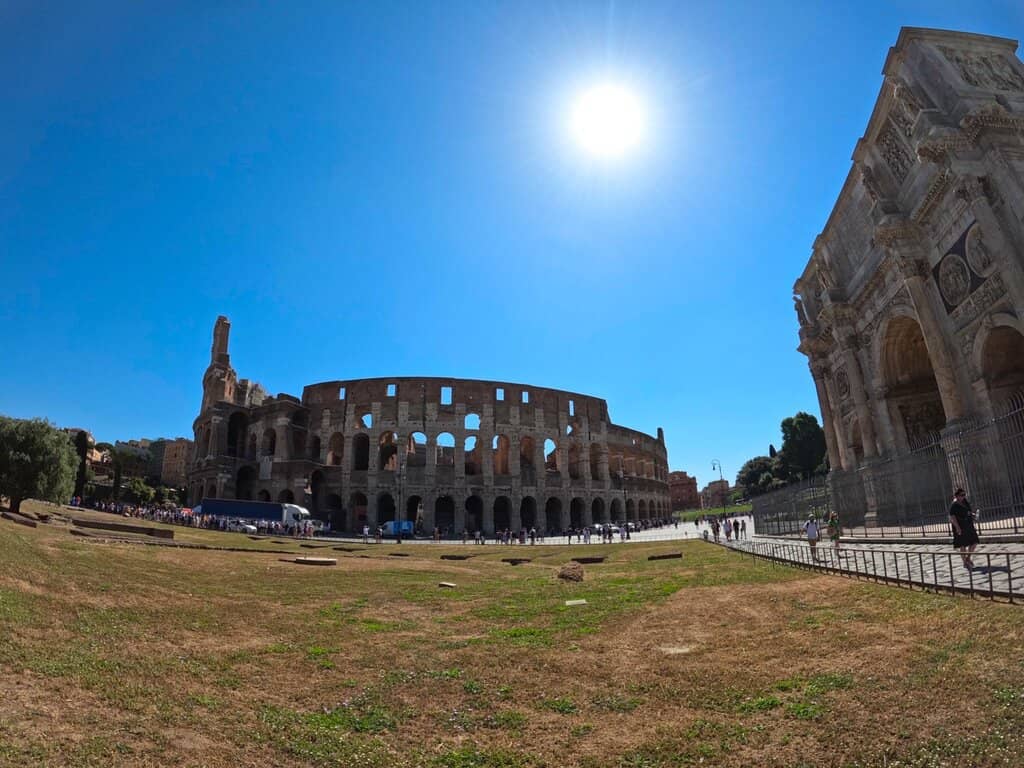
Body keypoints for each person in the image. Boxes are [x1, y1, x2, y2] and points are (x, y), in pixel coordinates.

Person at [949, 488, 979, 568]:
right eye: (962, 495)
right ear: (957, 496)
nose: (963, 496)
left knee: (974, 541)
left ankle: (968, 558)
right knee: (962, 544)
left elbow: (968, 511)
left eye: (964, 494)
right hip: (960, 526)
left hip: (968, 524)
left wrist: (972, 515)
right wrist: (958, 528)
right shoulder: (954, 505)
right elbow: (952, 517)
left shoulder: (964, 501)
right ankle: (965, 562)